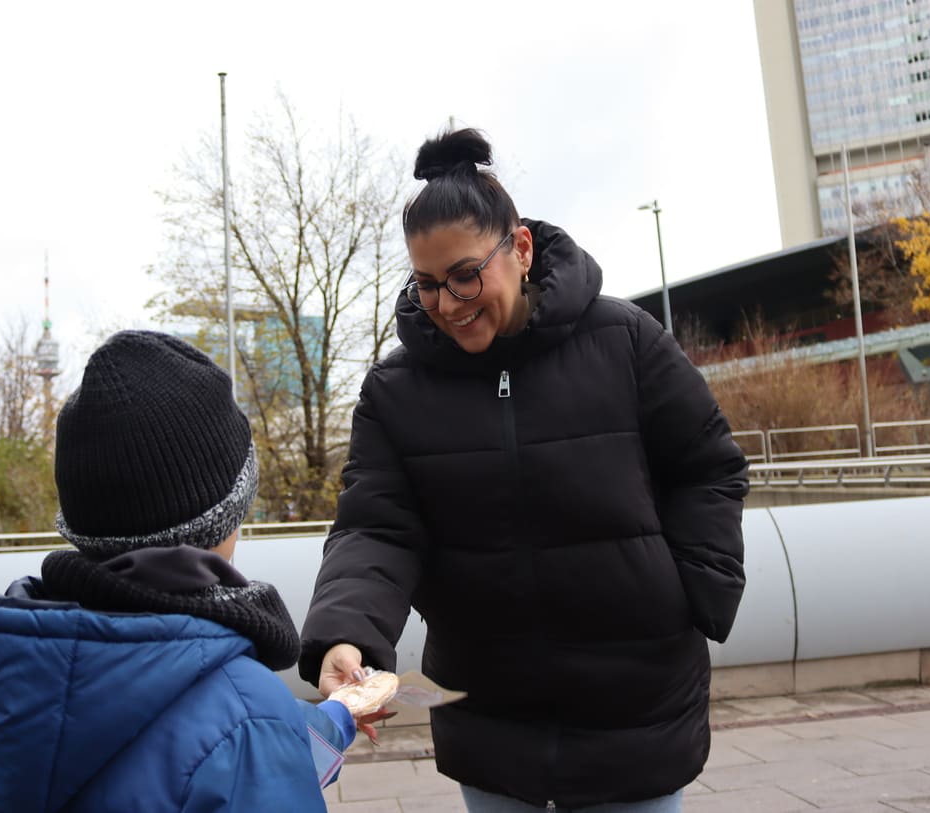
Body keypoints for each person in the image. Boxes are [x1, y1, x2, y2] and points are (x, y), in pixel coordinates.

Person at [299, 129, 749, 812]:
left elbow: (708, 467)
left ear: (522, 249)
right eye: (427, 284)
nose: (448, 303)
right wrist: (345, 633)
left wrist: (692, 595)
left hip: (635, 708)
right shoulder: (396, 392)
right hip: (490, 717)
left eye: (465, 275)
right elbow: (375, 528)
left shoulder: (625, 341)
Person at [0, 330, 361, 813]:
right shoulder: (245, 714)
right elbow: (239, 746)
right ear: (227, 513)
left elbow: (175, 753)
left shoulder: (12, 685)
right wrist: (270, 727)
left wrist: (338, 716)